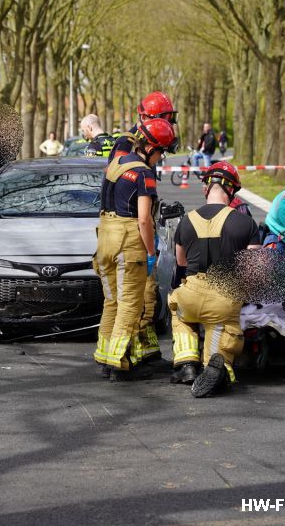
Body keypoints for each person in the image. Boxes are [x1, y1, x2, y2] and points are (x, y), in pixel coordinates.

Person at [169, 161, 261, 397]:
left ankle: (186, 363)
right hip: (224, 297)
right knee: (222, 332)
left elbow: (180, 262)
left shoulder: (186, 220)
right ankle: (217, 366)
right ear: (232, 191)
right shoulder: (246, 223)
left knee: (179, 314)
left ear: (206, 188)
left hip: (190, 294)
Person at [93, 118, 176, 381]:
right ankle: (119, 363)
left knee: (111, 302)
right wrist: (151, 252)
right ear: (151, 148)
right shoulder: (143, 173)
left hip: (105, 239)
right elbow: (143, 219)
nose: (161, 158)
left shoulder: (116, 163)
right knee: (130, 304)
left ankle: (105, 358)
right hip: (128, 244)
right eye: (161, 152)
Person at [106, 91, 179, 360]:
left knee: (144, 295)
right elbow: (128, 189)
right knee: (139, 295)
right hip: (132, 227)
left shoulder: (143, 144)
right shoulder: (129, 145)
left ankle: (145, 351)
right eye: (166, 118)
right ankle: (128, 355)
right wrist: (147, 243)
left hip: (136, 224)